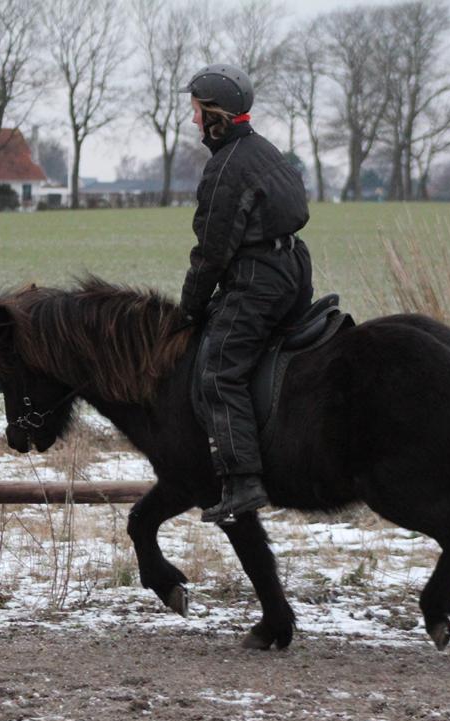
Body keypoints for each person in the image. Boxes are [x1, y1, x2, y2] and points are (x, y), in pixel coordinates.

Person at [178, 63, 313, 524]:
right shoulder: (265, 151)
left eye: (196, 111)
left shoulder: (226, 169)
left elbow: (211, 254)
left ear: (213, 113)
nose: (193, 120)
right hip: (295, 266)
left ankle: (243, 480)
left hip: (260, 279)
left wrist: (188, 310)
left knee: (218, 372)